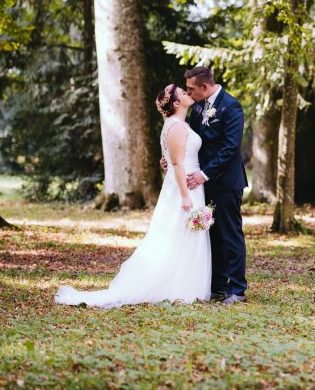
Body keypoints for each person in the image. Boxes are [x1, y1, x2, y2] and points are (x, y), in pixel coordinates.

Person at [55, 84, 211, 308]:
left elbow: (168, 159)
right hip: (184, 186)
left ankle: (183, 283)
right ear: (176, 103)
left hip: (186, 183)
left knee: (181, 235)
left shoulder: (176, 125)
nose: (188, 94)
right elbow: (176, 163)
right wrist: (185, 196)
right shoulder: (176, 127)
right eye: (184, 93)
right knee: (183, 233)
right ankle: (180, 287)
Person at [165, 66, 248, 305]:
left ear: (204, 86)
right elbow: (191, 141)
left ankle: (238, 289)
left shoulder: (231, 106)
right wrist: (173, 160)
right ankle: (218, 286)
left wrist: (204, 174)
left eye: (191, 88)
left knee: (230, 234)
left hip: (226, 182)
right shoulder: (198, 106)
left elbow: (230, 148)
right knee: (211, 235)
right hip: (201, 183)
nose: (188, 93)